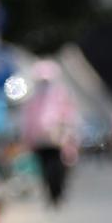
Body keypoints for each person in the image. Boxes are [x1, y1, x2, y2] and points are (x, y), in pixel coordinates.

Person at [20, 59, 79, 206]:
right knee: (44, 168)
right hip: (39, 140)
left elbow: (69, 113)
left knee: (57, 167)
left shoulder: (61, 94)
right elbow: (28, 119)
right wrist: (27, 138)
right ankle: (51, 194)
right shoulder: (33, 97)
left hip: (57, 138)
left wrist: (68, 131)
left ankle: (58, 192)